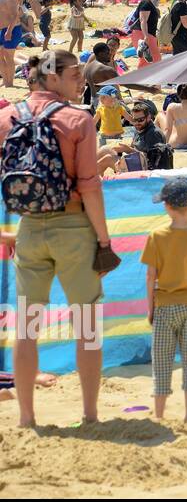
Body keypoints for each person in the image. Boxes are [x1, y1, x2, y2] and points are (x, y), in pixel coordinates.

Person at [0, 50, 112, 428]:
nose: (80, 80)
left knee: (27, 327)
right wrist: (104, 241)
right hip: (74, 226)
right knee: (87, 325)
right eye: (74, 74)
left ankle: (27, 418)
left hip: (30, 227)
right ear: (51, 78)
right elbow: (89, 186)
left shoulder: (8, 116)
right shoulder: (77, 118)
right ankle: (91, 415)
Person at [143, 176, 187, 424]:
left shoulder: (156, 236)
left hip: (163, 306)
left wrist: (150, 308)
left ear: (167, 206)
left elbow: (150, 276)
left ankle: (160, 416)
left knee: (161, 364)